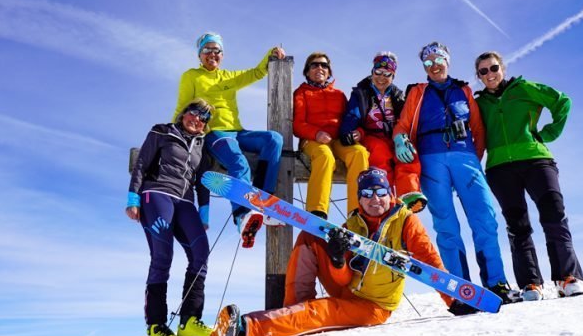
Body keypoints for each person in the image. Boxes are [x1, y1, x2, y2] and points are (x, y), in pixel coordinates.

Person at [207, 168, 448, 336]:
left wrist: (453, 298)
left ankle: (243, 330)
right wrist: (337, 259)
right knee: (311, 236)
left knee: (317, 311)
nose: (375, 199)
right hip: (348, 288)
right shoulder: (352, 223)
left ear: (390, 194)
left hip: (372, 306)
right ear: (359, 198)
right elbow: (342, 279)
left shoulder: (405, 221)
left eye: (381, 192)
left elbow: (430, 260)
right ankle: (294, 309)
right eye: (367, 193)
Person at [392, 42, 513, 310]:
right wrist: (400, 140)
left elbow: (478, 129)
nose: (434, 65)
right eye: (428, 62)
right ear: (424, 66)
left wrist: (472, 158)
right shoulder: (417, 93)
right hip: (431, 160)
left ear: (447, 60)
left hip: (465, 158)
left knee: (485, 218)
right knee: (446, 226)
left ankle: (497, 283)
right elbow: (402, 126)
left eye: (439, 59)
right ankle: (461, 288)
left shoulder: (464, 90)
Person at [473, 51, 583, 299]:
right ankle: (530, 284)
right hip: (500, 167)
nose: (490, 74)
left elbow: (562, 101)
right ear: (478, 76)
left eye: (493, 68)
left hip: (536, 160)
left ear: (502, 68)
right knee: (517, 225)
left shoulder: (523, 88)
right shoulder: (479, 103)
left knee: (554, 215)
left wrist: (548, 133)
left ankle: (567, 277)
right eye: (483, 71)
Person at [172, 32, 285, 248]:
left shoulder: (228, 77)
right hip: (216, 133)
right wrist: (173, 135)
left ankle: (261, 200)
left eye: (217, 50)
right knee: (238, 161)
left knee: (274, 139)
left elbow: (256, 73)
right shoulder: (192, 76)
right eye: (207, 50)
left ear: (222, 55)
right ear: (200, 54)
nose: (212, 54)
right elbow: (182, 106)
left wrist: (270, 55)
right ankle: (241, 214)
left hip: (237, 131)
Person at [127, 99, 215, 336]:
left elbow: (203, 182)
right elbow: (142, 163)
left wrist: (204, 213)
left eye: (203, 118)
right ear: (184, 113)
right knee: (162, 257)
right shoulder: (162, 131)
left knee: (201, 255)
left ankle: (189, 323)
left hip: (185, 203)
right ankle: (156, 327)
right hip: (156, 195)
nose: (197, 119)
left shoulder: (202, 146)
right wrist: (133, 198)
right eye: (194, 113)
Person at [339, 52, 427, 212]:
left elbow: (406, 118)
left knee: (408, 153)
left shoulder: (398, 95)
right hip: (370, 135)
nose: (381, 78)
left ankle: (408, 193)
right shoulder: (362, 93)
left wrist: (404, 138)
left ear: (393, 76)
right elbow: (353, 114)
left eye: (387, 74)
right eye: (377, 72)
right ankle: (384, 196)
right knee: (381, 153)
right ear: (372, 72)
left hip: (393, 137)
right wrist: (350, 132)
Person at [293, 52, 369, 218]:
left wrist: (359, 133)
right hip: (313, 140)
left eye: (324, 65)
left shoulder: (338, 94)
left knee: (360, 153)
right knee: (325, 156)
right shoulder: (301, 93)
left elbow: (353, 119)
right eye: (314, 65)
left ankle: (358, 210)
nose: (320, 68)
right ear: (307, 71)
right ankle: (316, 210)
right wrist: (316, 133)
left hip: (338, 140)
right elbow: (297, 125)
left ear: (329, 72)